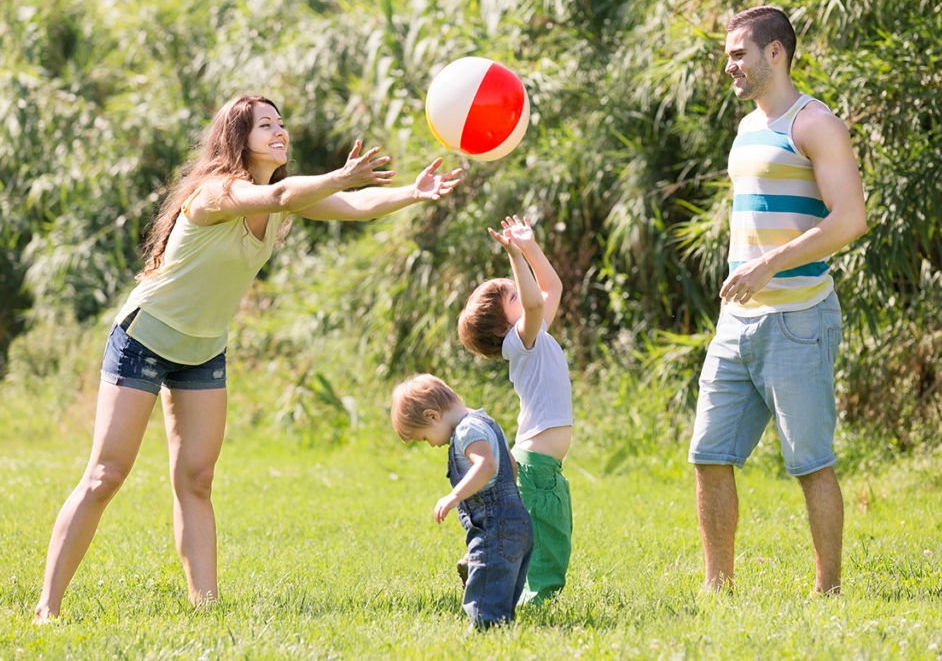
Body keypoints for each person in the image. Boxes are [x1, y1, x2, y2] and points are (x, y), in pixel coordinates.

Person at [32, 94, 462, 623]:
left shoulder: (273, 198)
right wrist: (341, 175)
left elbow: (351, 208)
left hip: (203, 349)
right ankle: (47, 607)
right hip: (144, 339)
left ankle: (205, 609)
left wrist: (412, 193)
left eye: (282, 124)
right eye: (266, 125)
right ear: (239, 138)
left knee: (196, 478)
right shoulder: (216, 193)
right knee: (106, 475)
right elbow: (286, 192)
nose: (280, 132)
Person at [689, 6, 867, 595]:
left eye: (739, 53)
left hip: (799, 319)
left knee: (810, 461)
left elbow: (850, 220)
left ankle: (828, 589)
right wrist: (748, 274)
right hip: (737, 320)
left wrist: (769, 265)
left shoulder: (816, 124)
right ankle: (719, 587)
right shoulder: (746, 129)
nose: (729, 64)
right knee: (708, 454)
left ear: (776, 53)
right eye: (727, 54)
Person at [457, 215, 573, 604]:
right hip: (538, 464)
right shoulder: (520, 344)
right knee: (548, 539)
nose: (522, 299)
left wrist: (529, 246)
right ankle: (534, 601)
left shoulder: (535, 336)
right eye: (513, 298)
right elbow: (536, 299)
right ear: (504, 328)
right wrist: (515, 256)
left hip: (538, 463)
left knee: (535, 533)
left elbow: (551, 287)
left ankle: (485, 562)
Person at [391, 373, 533, 631]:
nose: (431, 445)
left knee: (485, 599)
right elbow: (509, 466)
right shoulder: (488, 422)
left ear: (432, 416)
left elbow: (487, 465)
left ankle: (480, 639)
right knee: (501, 593)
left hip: (496, 523)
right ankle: (500, 634)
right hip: (515, 520)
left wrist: (455, 496)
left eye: (424, 438)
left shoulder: (467, 430)